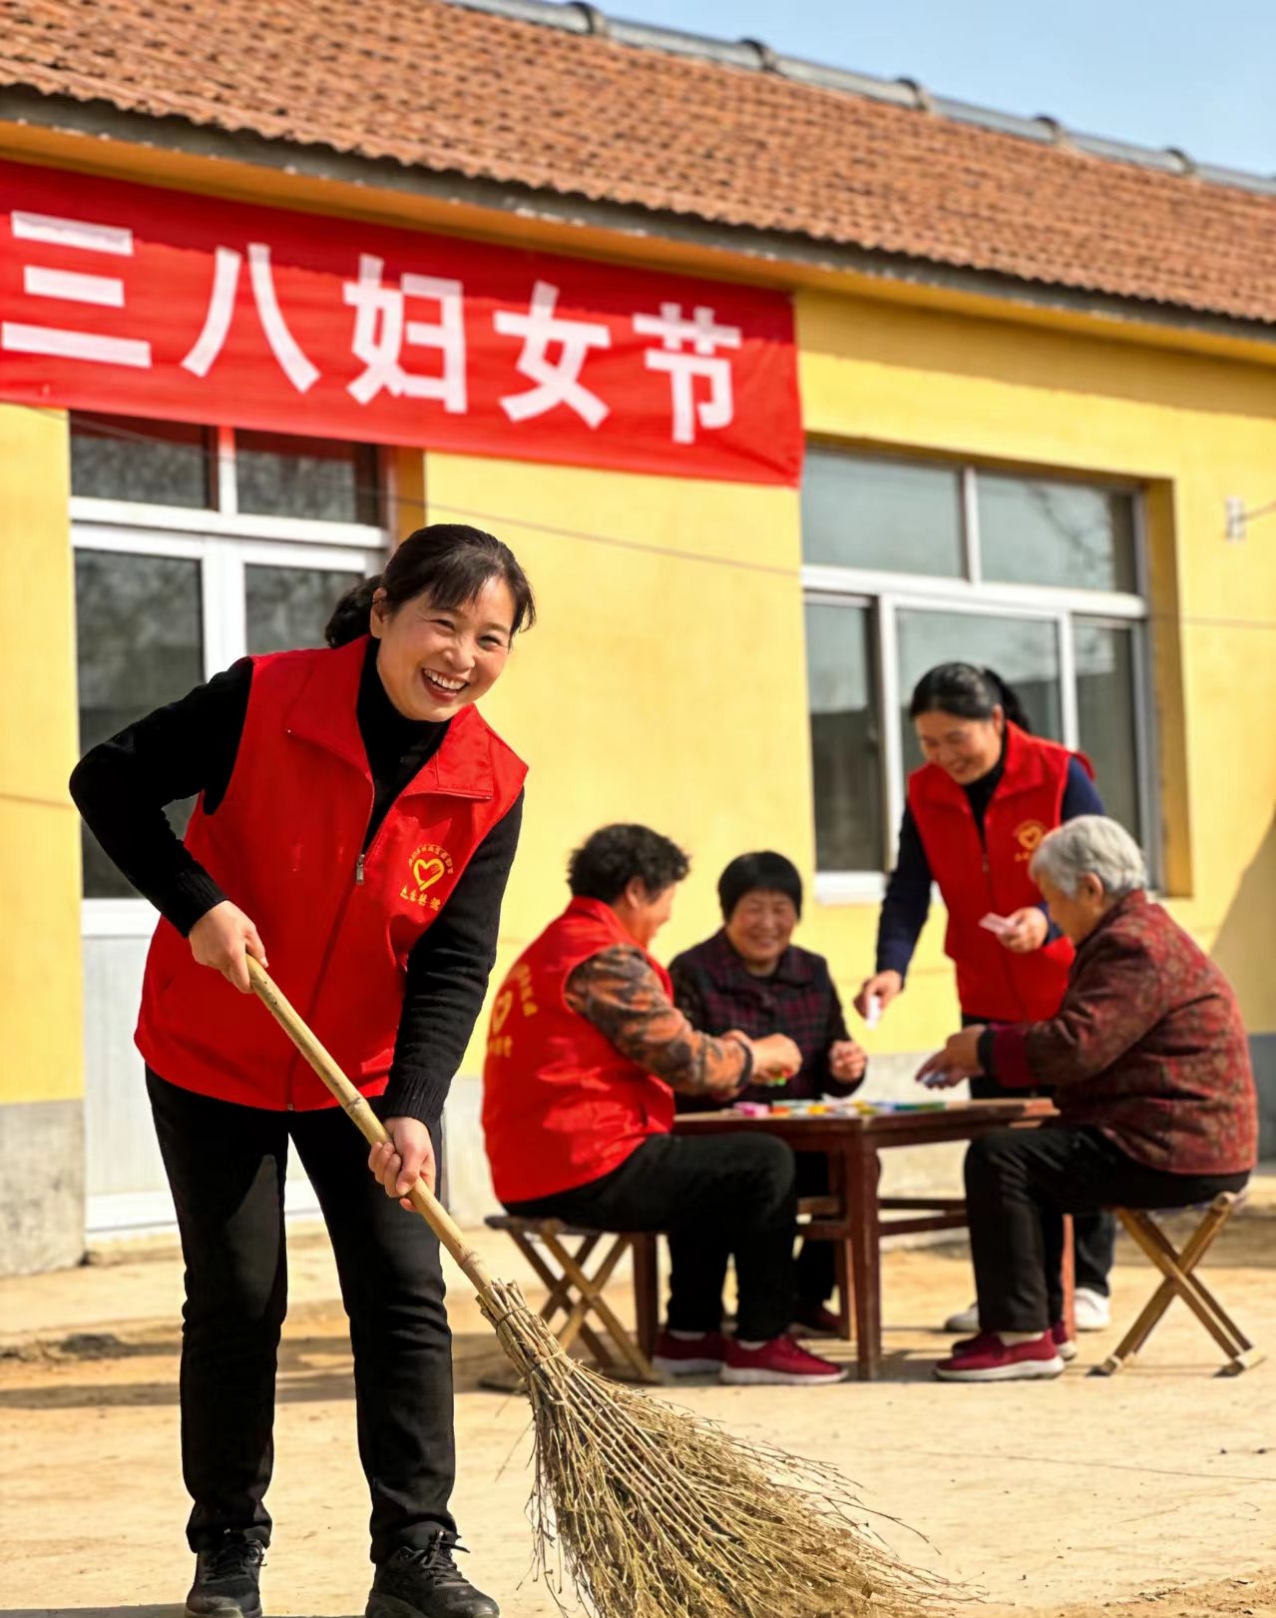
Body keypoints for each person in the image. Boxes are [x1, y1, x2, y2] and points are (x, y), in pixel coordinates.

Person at [70, 525, 534, 1618]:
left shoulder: (492, 782)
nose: (462, 656)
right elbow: (109, 781)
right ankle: (227, 1548)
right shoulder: (267, 697)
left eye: (491, 638)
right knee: (238, 1297)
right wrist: (197, 904)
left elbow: (455, 960)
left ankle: (414, 1555)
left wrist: (413, 1106)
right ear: (382, 613)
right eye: (443, 623)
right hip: (213, 1046)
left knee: (405, 1295)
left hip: (361, 1075)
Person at [481, 824, 848, 1386]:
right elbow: (687, 1062)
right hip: (585, 1164)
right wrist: (757, 1054)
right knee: (764, 1161)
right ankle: (762, 1339)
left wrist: (734, 1056)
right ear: (636, 891)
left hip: (537, 1165)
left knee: (708, 1167)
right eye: (667, 898)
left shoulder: (554, 948)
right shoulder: (605, 958)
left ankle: (691, 1332)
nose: (668, 916)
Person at [918, 817, 1258, 1382]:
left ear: (1092, 889)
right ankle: (1042, 1327)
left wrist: (984, 1046)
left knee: (1000, 1158)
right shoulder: (1142, 932)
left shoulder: (1132, 945)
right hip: (1182, 1139)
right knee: (1033, 1154)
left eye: (1053, 899)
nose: (1053, 914)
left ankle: (1020, 1336)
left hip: (1174, 1149)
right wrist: (991, 1052)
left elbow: (1077, 1046)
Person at [854, 661, 1113, 1336]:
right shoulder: (925, 791)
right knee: (998, 1144)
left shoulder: (1059, 774)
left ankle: (1087, 1283)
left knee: (1077, 1131)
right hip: (986, 995)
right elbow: (908, 888)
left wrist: (1046, 921)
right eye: (928, 743)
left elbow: (1103, 875)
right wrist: (891, 969)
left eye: (955, 739)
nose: (944, 756)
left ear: (996, 720)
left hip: (1070, 990)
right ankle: (1009, 1294)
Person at [669, 850, 867, 1335]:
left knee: (855, 1167)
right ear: (728, 912)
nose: (768, 923)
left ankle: (806, 1296)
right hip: (718, 1135)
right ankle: (696, 1318)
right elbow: (681, 1069)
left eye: (781, 909)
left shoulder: (813, 971)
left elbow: (832, 1062)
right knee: (737, 1175)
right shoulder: (692, 971)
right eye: (754, 909)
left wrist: (845, 1066)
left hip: (801, 1135)